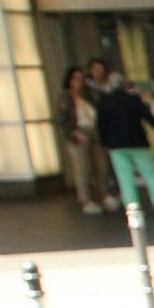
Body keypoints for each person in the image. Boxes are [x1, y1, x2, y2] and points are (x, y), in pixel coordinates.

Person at [95, 73, 154, 217]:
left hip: (116, 146)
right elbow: (149, 118)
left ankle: (132, 209)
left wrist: (104, 142)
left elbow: (100, 125)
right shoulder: (133, 100)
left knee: (125, 178)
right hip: (138, 143)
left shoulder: (104, 102)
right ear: (123, 84)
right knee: (151, 175)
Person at [56, 66, 111, 214]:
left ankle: (104, 194)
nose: (79, 81)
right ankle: (87, 200)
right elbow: (62, 119)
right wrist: (74, 132)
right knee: (82, 168)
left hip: (93, 129)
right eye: (75, 78)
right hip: (78, 131)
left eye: (81, 78)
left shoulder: (88, 94)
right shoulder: (65, 97)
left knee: (101, 164)